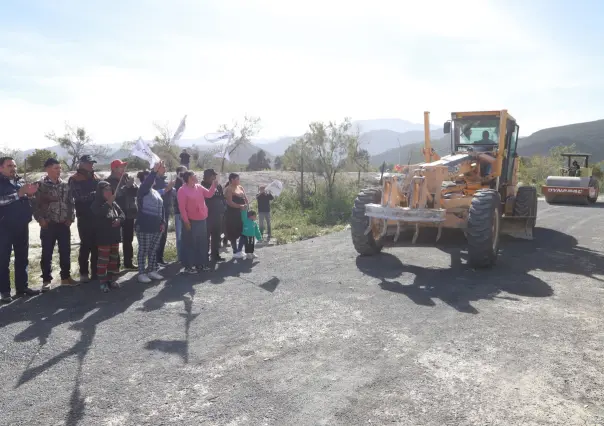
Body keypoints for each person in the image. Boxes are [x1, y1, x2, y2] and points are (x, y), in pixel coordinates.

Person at [33, 158, 77, 291]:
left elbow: (71, 203)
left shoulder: (64, 185)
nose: (59, 170)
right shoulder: (40, 186)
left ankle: (65, 277)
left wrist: (70, 218)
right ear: (47, 169)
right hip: (48, 224)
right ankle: (46, 280)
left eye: (60, 168)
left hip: (63, 224)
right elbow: (35, 205)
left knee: (65, 251)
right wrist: (40, 219)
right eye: (55, 168)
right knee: (47, 253)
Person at [0, 157, 40, 303]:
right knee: (3, 260)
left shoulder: (19, 181)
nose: (13, 168)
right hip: (4, 227)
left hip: (21, 225)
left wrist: (30, 194)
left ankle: (22, 288)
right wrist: (19, 194)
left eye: (15, 165)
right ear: (1, 168)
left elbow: (26, 199)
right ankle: (5, 292)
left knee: (22, 258)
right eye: (9, 165)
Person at [68, 154, 100, 282]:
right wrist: (95, 195)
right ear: (81, 164)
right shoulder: (74, 179)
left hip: (97, 215)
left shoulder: (96, 176)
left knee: (96, 245)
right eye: (88, 163)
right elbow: (78, 197)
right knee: (86, 245)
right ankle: (83, 273)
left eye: (92, 163)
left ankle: (96, 272)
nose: (91, 165)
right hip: (84, 215)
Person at [177, 170, 217, 274]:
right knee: (190, 243)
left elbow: (209, 194)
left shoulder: (198, 187)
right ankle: (188, 266)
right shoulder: (182, 190)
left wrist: (214, 185)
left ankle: (201, 264)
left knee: (202, 243)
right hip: (190, 221)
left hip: (202, 219)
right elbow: (182, 208)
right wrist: (186, 222)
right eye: (194, 175)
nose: (196, 176)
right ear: (189, 178)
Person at [91, 181, 125, 293]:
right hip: (103, 236)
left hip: (114, 235)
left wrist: (119, 220)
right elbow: (100, 214)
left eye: (110, 189)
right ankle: (102, 282)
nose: (109, 192)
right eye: (106, 190)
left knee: (113, 259)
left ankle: (111, 280)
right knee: (103, 260)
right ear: (100, 191)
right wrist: (108, 203)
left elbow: (122, 214)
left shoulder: (113, 203)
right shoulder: (96, 203)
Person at [135, 162, 166, 283]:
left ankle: (152, 270)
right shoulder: (142, 190)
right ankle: (142, 273)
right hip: (144, 225)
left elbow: (161, 208)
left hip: (156, 226)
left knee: (153, 249)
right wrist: (154, 171)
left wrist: (162, 222)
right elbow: (147, 183)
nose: (153, 179)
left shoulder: (156, 192)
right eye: (151, 177)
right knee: (144, 249)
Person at [106, 159, 139, 269]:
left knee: (128, 239)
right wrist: (127, 187)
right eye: (121, 167)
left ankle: (128, 262)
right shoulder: (109, 181)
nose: (123, 168)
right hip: (117, 213)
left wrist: (132, 186)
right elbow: (115, 195)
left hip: (129, 213)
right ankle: (115, 264)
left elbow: (136, 192)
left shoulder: (126, 178)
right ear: (114, 169)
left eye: (123, 166)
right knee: (115, 240)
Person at [201, 168, 226, 262]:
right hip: (207, 215)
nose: (215, 177)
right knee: (206, 237)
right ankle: (204, 256)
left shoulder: (218, 186)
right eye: (213, 175)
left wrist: (223, 208)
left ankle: (215, 255)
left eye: (215, 175)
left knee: (216, 236)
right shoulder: (202, 186)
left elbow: (222, 197)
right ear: (207, 176)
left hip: (218, 215)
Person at [224, 173, 248, 259]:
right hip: (232, 214)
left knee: (244, 230)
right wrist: (240, 206)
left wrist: (246, 206)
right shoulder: (228, 189)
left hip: (242, 213)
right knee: (233, 232)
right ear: (232, 179)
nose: (239, 180)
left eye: (238, 179)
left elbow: (245, 198)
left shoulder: (240, 187)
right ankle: (235, 250)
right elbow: (230, 202)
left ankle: (241, 249)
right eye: (237, 179)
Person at [154, 169, 175, 265]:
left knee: (163, 236)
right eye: (163, 167)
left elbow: (172, 193)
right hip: (156, 212)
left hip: (166, 210)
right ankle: (154, 260)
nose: (165, 169)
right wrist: (167, 189)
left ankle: (160, 258)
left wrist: (172, 188)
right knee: (157, 236)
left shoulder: (165, 181)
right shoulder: (152, 180)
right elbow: (153, 193)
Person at [173, 165, 187, 263]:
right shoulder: (175, 184)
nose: (184, 174)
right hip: (179, 212)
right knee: (180, 235)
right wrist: (181, 180)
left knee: (187, 234)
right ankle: (181, 256)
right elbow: (178, 195)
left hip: (188, 212)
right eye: (183, 172)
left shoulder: (187, 182)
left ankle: (187, 254)